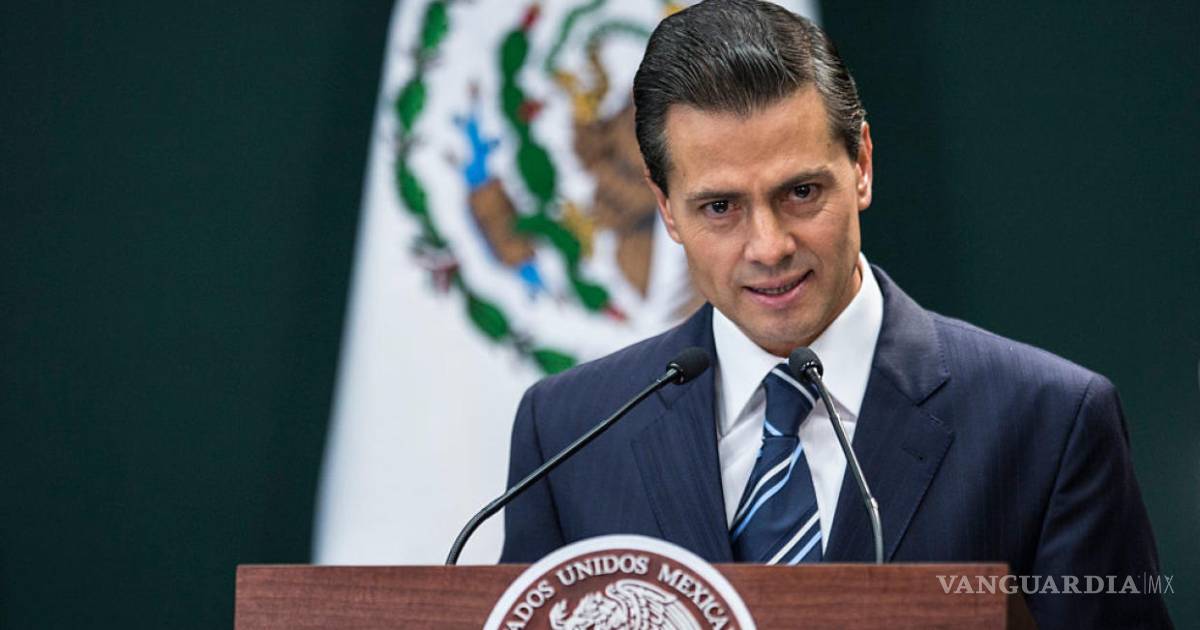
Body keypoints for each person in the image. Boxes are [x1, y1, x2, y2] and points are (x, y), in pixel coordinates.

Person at [500, 1, 1170, 627]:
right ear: (667, 209)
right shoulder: (566, 433)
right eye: (720, 207)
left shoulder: (1049, 423)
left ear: (862, 166)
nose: (769, 247)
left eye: (800, 192)